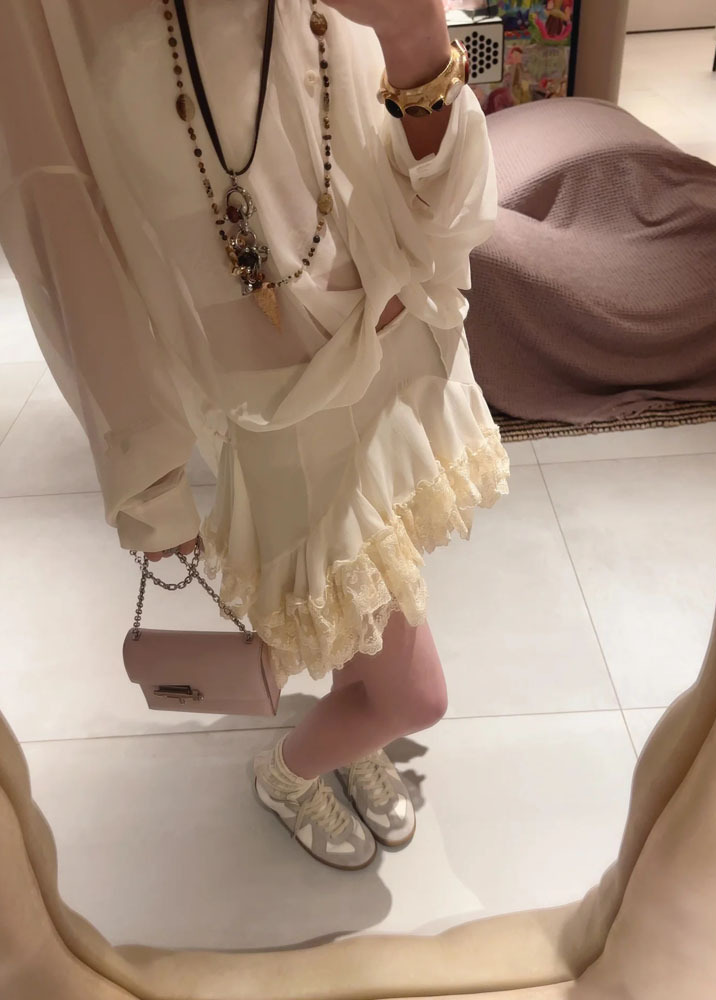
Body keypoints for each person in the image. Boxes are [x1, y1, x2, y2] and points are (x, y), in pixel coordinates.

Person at [0, 0, 508, 871]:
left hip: (404, 348)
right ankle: (288, 772)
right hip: (283, 408)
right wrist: (146, 476)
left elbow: (448, 218)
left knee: (369, 598)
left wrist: (417, 44)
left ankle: (355, 723)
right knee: (416, 696)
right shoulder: (53, 19)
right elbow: (59, 216)